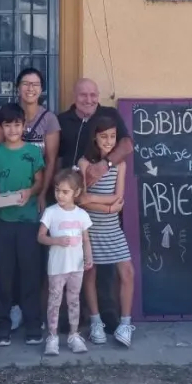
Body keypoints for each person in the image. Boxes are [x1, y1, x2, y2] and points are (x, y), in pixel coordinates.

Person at [56, 78, 132, 331]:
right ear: (74, 95)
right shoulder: (62, 120)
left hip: (100, 202)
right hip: (69, 203)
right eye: (83, 95)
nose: (88, 99)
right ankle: (70, 320)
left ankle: (107, 317)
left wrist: (105, 164)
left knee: (105, 266)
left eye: (92, 95)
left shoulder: (109, 114)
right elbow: (53, 156)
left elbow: (127, 144)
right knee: (72, 262)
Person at [0, 66, 61, 333]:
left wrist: (42, 193)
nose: (30, 88)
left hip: (34, 200)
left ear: (41, 89)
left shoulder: (49, 119)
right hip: (6, 204)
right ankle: (10, 311)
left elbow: (51, 161)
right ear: (18, 87)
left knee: (31, 261)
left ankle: (30, 312)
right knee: (6, 263)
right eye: (25, 83)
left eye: (35, 84)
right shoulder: (6, 115)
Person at [0, 102, 46, 346]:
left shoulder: (33, 152)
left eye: (17, 124)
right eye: (7, 125)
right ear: (1, 127)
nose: (12, 130)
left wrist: (30, 192)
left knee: (31, 274)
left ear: (24, 126)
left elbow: (40, 181)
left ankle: (32, 324)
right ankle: (2, 326)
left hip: (29, 221)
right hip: (2, 222)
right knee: (3, 275)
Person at [77, 116, 135, 347]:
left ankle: (125, 323)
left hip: (112, 229)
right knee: (90, 274)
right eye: (104, 137)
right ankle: (95, 321)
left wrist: (94, 198)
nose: (109, 141)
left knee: (127, 272)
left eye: (112, 136)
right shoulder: (84, 163)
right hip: (89, 229)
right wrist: (107, 206)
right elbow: (80, 200)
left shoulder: (120, 164)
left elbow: (119, 197)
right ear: (95, 137)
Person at [38, 169, 93, 356]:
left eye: (65, 191)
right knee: (54, 301)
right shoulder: (50, 212)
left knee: (74, 300)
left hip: (76, 267)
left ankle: (73, 335)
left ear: (76, 193)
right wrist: (57, 241)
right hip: (56, 267)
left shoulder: (82, 215)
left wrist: (88, 257)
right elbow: (41, 237)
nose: (60, 195)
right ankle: (52, 337)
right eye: (57, 190)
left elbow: (86, 239)